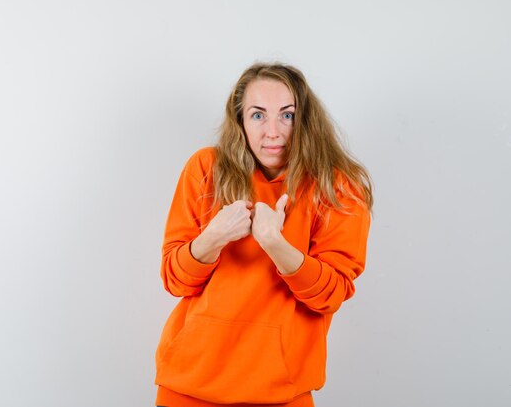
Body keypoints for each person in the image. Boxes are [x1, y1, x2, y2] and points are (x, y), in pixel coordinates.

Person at [154, 62, 374, 407]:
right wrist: (212, 238)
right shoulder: (205, 168)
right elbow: (175, 280)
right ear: (240, 120)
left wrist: (275, 243)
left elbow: (331, 294)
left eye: (287, 115)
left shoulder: (338, 187)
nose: (273, 131)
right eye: (258, 115)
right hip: (187, 386)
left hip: (281, 392)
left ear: (305, 120)